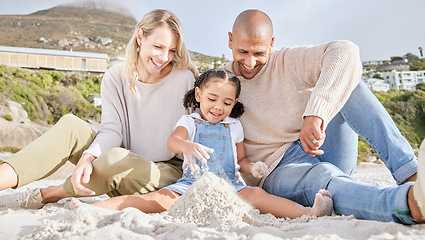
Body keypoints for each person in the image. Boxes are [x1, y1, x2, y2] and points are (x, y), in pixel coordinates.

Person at [221, 9, 425, 224]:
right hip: (277, 172)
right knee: (324, 175)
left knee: (350, 83)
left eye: (259, 53)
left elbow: (345, 50)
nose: (250, 62)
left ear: (271, 44)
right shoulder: (219, 83)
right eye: (243, 51)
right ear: (230, 40)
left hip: (322, 147)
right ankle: (409, 204)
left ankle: (411, 175)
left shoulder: (286, 61)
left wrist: (316, 114)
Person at [70, 68, 334, 219]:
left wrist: (253, 169)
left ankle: (307, 213)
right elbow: (173, 142)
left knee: (258, 196)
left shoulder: (235, 126)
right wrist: (188, 146)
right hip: (191, 184)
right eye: (212, 99)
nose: (218, 107)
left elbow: (240, 161)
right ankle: (94, 209)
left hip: (229, 184)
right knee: (155, 200)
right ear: (199, 95)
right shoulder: (190, 122)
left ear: (234, 104)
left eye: (227, 103)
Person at [0, 9, 198, 209]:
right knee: (71, 126)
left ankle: (50, 193)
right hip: (112, 169)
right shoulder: (115, 76)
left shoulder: (184, 79)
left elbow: (191, 135)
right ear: (140, 37)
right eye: (158, 47)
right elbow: (112, 130)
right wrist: (87, 157)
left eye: (172, 50)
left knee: (114, 158)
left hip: (160, 173)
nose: (164, 57)